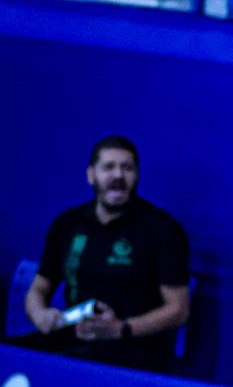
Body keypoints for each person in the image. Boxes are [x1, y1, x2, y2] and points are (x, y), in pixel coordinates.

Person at [23, 135, 191, 372]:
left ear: (137, 175)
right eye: (108, 167)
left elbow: (178, 310)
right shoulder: (67, 224)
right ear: (91, 175)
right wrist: (40, 314)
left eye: (127, 168)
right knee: (1, 354)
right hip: (73, 337)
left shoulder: (162, 229)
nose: (118, 176)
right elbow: (39, 287)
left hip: (134, 347)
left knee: (65, 367)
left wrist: (120, 328)